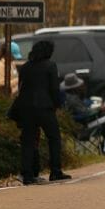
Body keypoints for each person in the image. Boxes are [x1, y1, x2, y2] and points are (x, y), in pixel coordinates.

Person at [10, 39, 68, 185]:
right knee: (54, 138)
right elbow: (54, 89)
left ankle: (28, 175)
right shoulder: (50, 66)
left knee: (28, 141)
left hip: (26, 109)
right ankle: (55, 171)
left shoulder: (25, 67)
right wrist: (57, 104)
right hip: (45, 108)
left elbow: (21, 88)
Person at [61, 74, 105, 154]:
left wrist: (95, 108)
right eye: (79, 86)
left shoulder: (68, 97)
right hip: (83, 126)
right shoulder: (73, 100)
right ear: (74, 87)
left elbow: (83, 107)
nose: (81, 87)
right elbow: (85, 113)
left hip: (80, 123)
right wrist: (98, 109)